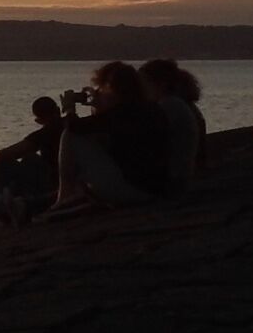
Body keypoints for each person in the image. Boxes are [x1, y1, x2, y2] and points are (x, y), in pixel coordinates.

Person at [46, 61, 168, 217]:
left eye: (101, 88)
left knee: (70, 136)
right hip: (155, 188)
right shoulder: (148, 109)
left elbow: (74, 127)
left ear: (112, 88)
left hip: (135, 191)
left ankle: (64, 196)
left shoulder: (124, 113)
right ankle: (66, 200)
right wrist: (98, 107)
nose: (99, 92)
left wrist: (69, 108)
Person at [0, 96, 65, 222]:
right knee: (24, 161)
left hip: (54, 181)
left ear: (38, 120)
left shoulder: (43, 134)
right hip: (56, 178)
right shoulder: (70, 124)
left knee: (25, 160)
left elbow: (8, 153)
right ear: (58, 110)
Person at [138, 58, 206, 188]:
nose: (141, 90)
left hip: (172, 180)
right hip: (177, 176)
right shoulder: (176, 104)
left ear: (160, 84)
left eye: (144, 83)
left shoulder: (170, 106)